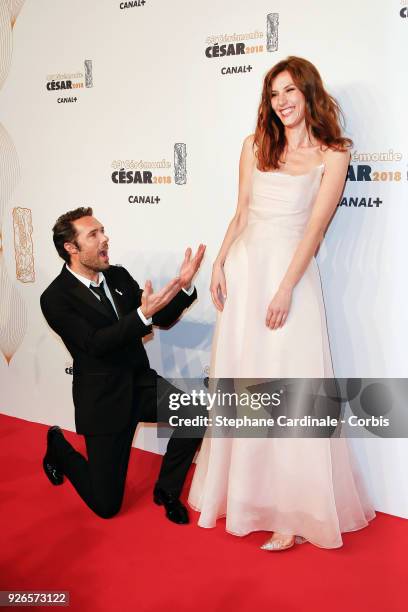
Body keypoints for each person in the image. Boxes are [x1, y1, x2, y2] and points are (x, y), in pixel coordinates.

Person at [188, 56, 376, 550]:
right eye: (274, 94)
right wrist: (220, 262)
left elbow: (314, 231)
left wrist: (287, 287)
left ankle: (292, 515)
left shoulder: (333, 154)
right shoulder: (255, 145)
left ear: (309, 92)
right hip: (246, 276)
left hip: (289, 280)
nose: (282, 102)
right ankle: (248, 498)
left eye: (290, 91)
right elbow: (243, 211)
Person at [40, 206, 206, 522]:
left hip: (140, 384)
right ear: (71, 248)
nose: (105, 239)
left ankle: (167, 490)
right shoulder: (55, 298)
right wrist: (142, 315)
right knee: (106, 507)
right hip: (103, 402)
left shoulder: (117, 275)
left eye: (103, 231)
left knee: (194, 412)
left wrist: (183, 287)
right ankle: (59, 446)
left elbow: (161, 318)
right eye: (94, 235)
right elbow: (95, 343)